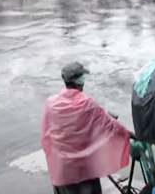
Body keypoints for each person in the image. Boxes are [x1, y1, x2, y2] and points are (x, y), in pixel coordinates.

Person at [41, 62, 133, 194]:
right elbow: (110, 126)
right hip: (82, 171)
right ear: (80, 81)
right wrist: (128, 134)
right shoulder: (86, 103)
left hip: (60, 169)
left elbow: (46, 135)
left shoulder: (51, 104)